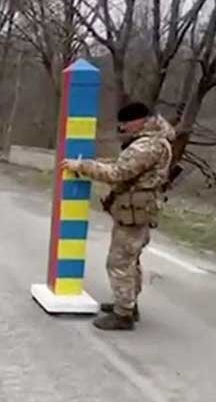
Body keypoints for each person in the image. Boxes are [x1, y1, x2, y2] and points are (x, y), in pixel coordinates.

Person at [62, 102, 175, 331]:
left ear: (139, 120)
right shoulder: (150, 141)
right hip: (135, 209)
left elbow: (117, 172)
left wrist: (82, 166)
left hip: (135, 211)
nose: (123, 128)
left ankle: (123, 314)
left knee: (120, 261)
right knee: (130, 260)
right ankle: (128, 304)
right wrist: (94, 164)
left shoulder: (148, 146)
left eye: (126, 123)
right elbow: (120, 164)